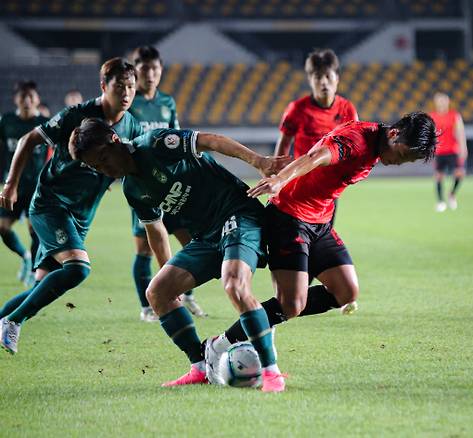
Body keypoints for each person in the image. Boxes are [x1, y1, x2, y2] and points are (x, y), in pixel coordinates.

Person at [69, 119, 291, 391]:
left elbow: (210, 140)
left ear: (114, 139)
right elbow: (156, 231)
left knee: (234, 283)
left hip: (237, 213)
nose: (105, 169)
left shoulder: (154, 144)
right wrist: (169, 274)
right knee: (157, 292)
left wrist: (258, 161)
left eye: (104, 159)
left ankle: (271, 373)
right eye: (97, 167)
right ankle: (200, 366)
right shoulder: (133, 190)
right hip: (206, 237)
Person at [205, 113, 437, 373]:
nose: (399, 163)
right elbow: (315, 157)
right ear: (394, 134)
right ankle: (219, 345)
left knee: (346, 291)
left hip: (320, 221)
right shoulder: (356, 142)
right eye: (403, 155)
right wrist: (280, 180)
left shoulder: (376, 142)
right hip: (289, 217)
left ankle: (264, 318)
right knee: (291, 305)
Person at [0, 58, 143, 355]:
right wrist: (11, 184)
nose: (126, 93)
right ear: (104, 86)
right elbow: (28, 140)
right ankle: (13, 321)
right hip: (51, 204)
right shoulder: (77, 115)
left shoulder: (133, 125)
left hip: (82, 215)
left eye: (131, 86)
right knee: (79, 269)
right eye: (120, 87)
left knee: (39, 288)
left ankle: (6, 318)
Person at [274, 48, 359, 315]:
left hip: (327, 197)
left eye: (327, 76)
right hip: (297, 194)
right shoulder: (298, 109)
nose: (323, 82)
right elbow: (283, 146)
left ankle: (294, 300)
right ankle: (288, 302)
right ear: (310, 79)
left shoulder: (346, 109)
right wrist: (276, 177)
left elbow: (355, 145)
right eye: (316, 76)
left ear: (337, 78)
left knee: (316, 249)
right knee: (299, 251)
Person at [128, 45, 206, 322]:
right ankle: (147, 307)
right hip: (144, 187)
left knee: (191, 242)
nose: (150, 74)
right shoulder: (130, 103)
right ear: (136, 71)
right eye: (145, 68)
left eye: (155, 68)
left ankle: (188, 297)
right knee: (145, 249)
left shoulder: (167, 102)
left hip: (172, 185)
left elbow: (176, 136)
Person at [0, 81, 49, 286]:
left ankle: (34, 272)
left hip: (37, 187)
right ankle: (25, 257)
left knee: (34, 230)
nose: (27, 100)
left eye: (31, 96)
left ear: (37, 99)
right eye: (23, 96)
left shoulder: (45, 123)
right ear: (16, 99)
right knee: (2, 227)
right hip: (13, 185)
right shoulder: (6, 121)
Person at [429, 92, 467, 212]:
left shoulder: (455, 116)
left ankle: (452, 194)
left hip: (453, 150)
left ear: (448, 101)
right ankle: (440, 201)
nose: (442, 102)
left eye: (444, 100)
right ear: (436, 102)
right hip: (439, 151)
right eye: (439, 100)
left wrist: (463, 147)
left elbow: (460, 132)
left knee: (459, 173)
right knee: (439, 176)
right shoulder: (432, 116)